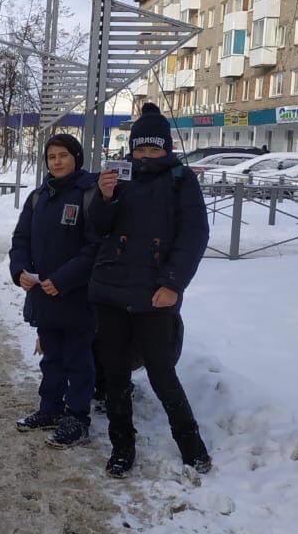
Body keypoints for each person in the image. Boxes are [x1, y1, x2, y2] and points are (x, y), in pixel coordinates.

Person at [88, 102, 212, 478]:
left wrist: (173, 284)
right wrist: (104, 198)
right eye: (139, 148)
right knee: (115, 373)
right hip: (111, 288)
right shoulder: (119, 177)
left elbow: (194, 236)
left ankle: (191, 445)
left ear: (167, 148)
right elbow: (98, 229)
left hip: (155, 291)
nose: (145, 155)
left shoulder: (181, 180)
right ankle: (122, 447)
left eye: (153, 148)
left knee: (161, 371)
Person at [9, 134, 100, 448]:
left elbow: (95, 248)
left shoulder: (90, 193)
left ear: (76, 157)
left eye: (63, 155)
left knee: (78, 359)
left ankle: (77, 417)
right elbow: (20, 240)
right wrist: (19, 271)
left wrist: (64, 279)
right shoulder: (38, 197)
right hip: (44, 295)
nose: (57, 162)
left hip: (77, 296)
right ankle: (50, 409)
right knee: (51, 358)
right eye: (51, 157)